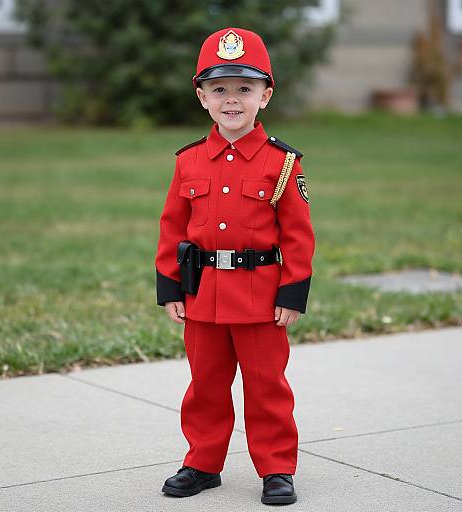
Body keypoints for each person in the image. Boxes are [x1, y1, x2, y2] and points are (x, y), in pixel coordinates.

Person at [154, 27, 315, 506]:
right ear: (201, 96)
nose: (231, 100)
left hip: (262, 298)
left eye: (244, 89)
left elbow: (298, 235)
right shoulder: (189, 161)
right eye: (219, 89)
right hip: (202, 294)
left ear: (265, 95)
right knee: (205, 385)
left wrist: (291, 295)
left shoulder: (282, 163)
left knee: (266, 386)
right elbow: (172, 226)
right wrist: (170, 290)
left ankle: (276, 468)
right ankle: (203, 463)